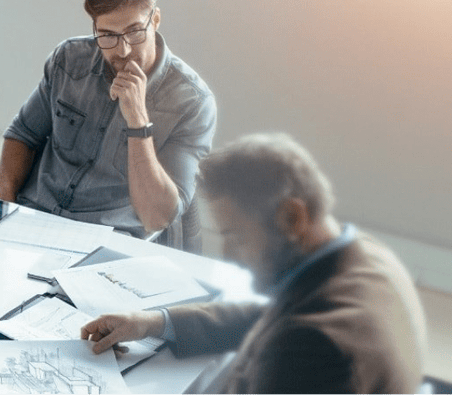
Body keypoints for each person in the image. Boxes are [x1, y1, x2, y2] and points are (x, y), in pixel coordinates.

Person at [80, 133, 428, 393]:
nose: (228, 256)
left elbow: (295, 333)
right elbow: (274, 313)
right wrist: (152, 322)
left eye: (237, 237)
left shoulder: (310, 347)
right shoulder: (365, 257)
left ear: (292, 217)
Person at [0, 0, 216, 251]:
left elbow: (157, 217)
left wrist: (138, 121)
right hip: (31, 222)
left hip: (104, 246)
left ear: (156, 20)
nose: (123, 50)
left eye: (135, 32)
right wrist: (2, 209)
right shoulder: (68, 59)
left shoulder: (192, 103)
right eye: (108, 36)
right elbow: (22, 135)